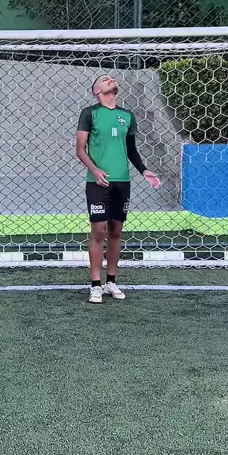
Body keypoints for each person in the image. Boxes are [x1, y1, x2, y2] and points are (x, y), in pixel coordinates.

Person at [76, 74, 160, 304]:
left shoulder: (127, 116)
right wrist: (95, 170)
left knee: (116, 231)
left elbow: (131, 150)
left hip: (122, 182)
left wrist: (144, 170)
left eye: (111, 78)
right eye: (105, 79)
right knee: (99, 230)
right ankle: (95, 284)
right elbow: (80, 149)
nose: (110, 79)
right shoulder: (89, 114)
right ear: (96, 91)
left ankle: (111, 281)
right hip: (98, 182)